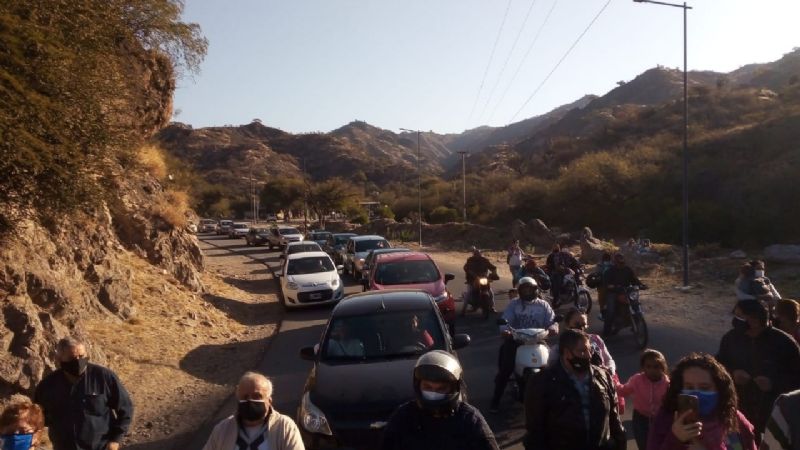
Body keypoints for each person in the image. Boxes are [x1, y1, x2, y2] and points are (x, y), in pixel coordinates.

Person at [524, 329, 625, 450]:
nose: (588, 355)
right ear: (567, 353)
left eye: (590, 350)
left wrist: (620, 443)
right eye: (582, 351)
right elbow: (535, 430)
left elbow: (614, 419)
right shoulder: (542, 382)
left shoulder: (603, 376)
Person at [382, 350, 499, 450]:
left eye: (441, 388)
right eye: (428, 387)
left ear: (453, 388)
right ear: (418, 386)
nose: (433, 393)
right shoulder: (403, 418)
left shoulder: (470, 420)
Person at [716, 300, 800, 437]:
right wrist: (732, 373)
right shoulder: (730, 339)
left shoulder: (785, 343)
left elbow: (796, 380)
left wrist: (774, 384)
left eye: (740, 317)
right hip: (738, 411)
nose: (735, 320)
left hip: (773, 414)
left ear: (755, 320)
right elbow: (718, 367)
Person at [33, 337, 133, 450]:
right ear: (59, 358)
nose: (78, 361)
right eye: (72, 358)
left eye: (81, 356)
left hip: (101, 447)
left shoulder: (104, 377)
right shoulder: (47, 385)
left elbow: (126, 409)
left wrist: (115, 440)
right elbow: (37, 418)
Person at [647, 353, 757, 450]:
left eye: (704, 388)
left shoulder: (732, 418)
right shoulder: (666, 419)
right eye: (689, 387)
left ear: (719, 389)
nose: (696, 394)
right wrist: (675, 439)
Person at [490, 277, 558, 413]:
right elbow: (505, 320)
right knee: (506, 369)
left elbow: (552, 320)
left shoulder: (543, 305)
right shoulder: (514, 304)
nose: (527, 291)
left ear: (535, 290)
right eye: (524, 289)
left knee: (553, 367)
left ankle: (557, 400)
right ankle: (495, 401)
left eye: (530, 289)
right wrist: (505, 331)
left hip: (537, 340)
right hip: (516, 341)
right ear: (520, 291)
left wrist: (553, 328)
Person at [202, 371, 304, 450]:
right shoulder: (222, 430)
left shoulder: (284, 427)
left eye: (257, 396)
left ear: (269, 401)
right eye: (245, 397)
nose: (250, 400)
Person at [616, 349, 670, 450]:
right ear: (643, 368)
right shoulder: (637, 380)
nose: (652, 370)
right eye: (648, 367)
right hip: (640, 418)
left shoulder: (667, 385)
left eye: (656, 367)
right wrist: (613, 382)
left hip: (660, 419)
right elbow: (623, 391)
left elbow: (672, 404)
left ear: (662, 367)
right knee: (644, 445)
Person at [548, 308, 617, 375]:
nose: (581, 328)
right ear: (567, 325)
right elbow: (552, 371)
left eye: (584, 325)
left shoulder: (596, 339)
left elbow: (609, 360)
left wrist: (609, 370)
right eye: (576, 324)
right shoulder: (558, 349)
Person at [602, 253, 642, 337]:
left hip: (626, 291)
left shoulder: (628, 270)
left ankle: (636, 324)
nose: (621, 264)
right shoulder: (609, 271)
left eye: (622, 262)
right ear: (615, 262)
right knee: (611, 311)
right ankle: (606, 333)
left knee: (635, 304)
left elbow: (634, 279)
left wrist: (641, 285)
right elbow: (606, 284)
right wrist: (612, 286)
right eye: (619, 263)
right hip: (613, 292)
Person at [594, 252, 613, 320]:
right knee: (602, 300)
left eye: (607, 259)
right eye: (606, 259)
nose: (607, 261)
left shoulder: (612, 265)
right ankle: (602, 313)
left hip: (611, 284)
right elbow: (597, 274)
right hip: (602, 285)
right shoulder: (600, 265)